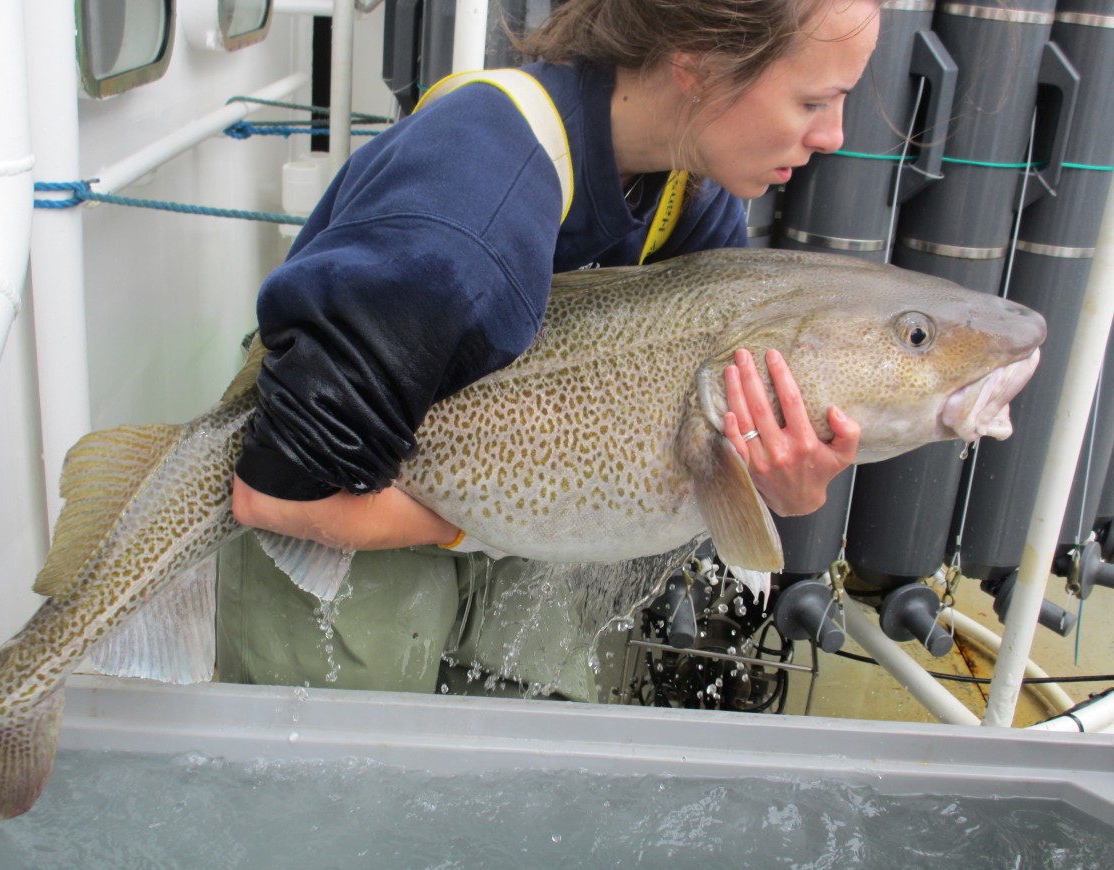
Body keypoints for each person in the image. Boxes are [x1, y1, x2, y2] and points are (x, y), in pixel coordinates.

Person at [217, 0, 881, 698]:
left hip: (496, 493)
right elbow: (279, 495)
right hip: (336, 484)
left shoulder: (693, 198)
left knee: (523, 746)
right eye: (814, 101)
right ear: (701, 65)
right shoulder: (473, 207)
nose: (834, 136)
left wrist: (771, 486)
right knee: (335, 777)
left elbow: (698, 440)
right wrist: (476, 523)